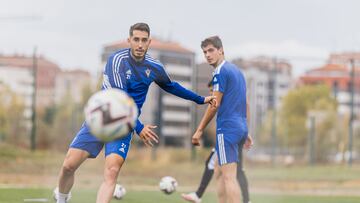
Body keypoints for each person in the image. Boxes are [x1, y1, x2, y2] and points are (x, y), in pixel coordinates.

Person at [54, 22, 215, 203]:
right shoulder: (117, 61)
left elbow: (171, 86)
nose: (139, 44)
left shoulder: (154, 67)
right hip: (101, 118)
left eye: (144, 40)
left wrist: (200, 99)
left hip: (124, 127)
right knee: (69, 165)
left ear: (149, 42)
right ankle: (61, 198)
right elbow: (120, 99)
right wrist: (139, 127)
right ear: (129, 40)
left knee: (112, 171)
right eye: (136, 39)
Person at [191, 36, 253, 203]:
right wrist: (245, 130)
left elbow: (214, 104)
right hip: (239, 127)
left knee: (228, 178)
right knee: (218, 171)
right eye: (205, 52)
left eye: (211, 50)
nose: (208, 55)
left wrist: (199, 129)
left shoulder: (220, 71)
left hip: (227, 129)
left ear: (221, 50)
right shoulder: (238, 72)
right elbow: (242, 102)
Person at [182, 81, 252, 203]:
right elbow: (245, 106)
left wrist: (200, 130)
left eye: (212, 90)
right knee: (224, 171)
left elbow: (246, 105)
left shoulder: (225, 99)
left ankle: (198, 195)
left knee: (226, 174)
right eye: (210, 91)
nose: (211, 93)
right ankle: (246, 200)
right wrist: (245, 131)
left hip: (228, 137)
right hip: (233, 135)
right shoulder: (229, 99)